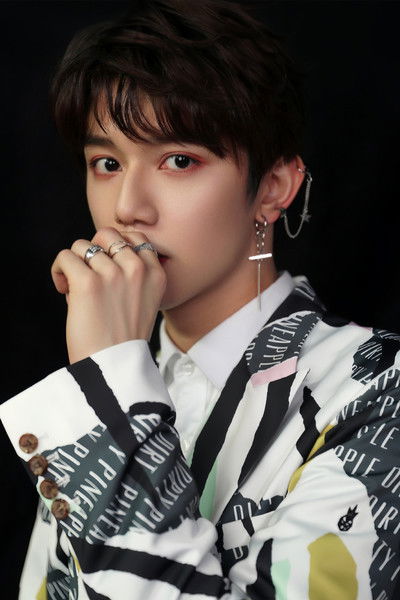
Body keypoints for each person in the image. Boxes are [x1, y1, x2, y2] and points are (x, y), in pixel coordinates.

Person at [1, 1, 400, 598]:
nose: (128, 207)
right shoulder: (110, 373)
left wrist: (109, 388)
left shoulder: (373, 388)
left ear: (272, 187)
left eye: (179, 160)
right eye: (106, 163)